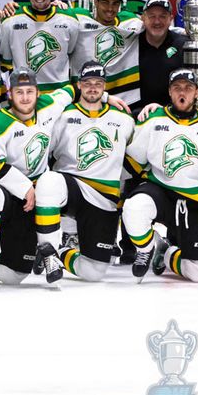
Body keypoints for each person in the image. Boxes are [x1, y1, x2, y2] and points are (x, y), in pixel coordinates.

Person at [0, 70, 77, 289]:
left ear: (38, 93)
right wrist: (25, 187)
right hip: (0, 191)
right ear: (10, 94)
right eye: (19, 92)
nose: (25, 97)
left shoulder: (49, 105)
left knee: (13, 274)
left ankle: (49, 253)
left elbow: (74, 89)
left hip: (32, 197)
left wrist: (106, 98)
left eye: (29, 91)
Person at [34, 61, 135, 281]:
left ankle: (62, 253)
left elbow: (134, 159)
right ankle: (47, 251)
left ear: (104, 86)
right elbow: (45, 153)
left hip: (103, 198)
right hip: (72, 188)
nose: (92, 88)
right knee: (49, 180)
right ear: (79, 85)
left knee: (93, 272)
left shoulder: (124, 120)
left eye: (98, 83)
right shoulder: (62, 116)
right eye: (87, 83)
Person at [122, 69, 198, 283]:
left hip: (193, 199)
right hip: (160, 190)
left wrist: (189, 176)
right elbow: (135, 159)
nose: (182, 92)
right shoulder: (154, 118)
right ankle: (146, 248)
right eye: (177, 87)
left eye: (188, 87)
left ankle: (164, 252)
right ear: (169, 92)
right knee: (134, 206)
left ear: (197, 92)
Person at [1, 0, 80, 93]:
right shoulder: (10, 19)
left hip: (60, 93)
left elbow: (70, 51)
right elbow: (6, 59)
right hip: (24, 93)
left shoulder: (69, 18)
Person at [68, 0, 143, 107]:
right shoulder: (78, 19)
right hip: (85, 96)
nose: (110, 8)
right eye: (105, 2)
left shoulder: (131, 22)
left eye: (115, 3)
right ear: (95, 2)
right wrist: (56, 5)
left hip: (123, 99)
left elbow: (157, 25)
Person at [135, 0, 191, 112]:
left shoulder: (184, 44)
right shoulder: (131, 44)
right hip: (137, 114)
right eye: (152, 16)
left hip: (173, 114)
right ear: (143, 18)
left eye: (163, 16)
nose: (157, 21)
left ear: (171, 19)